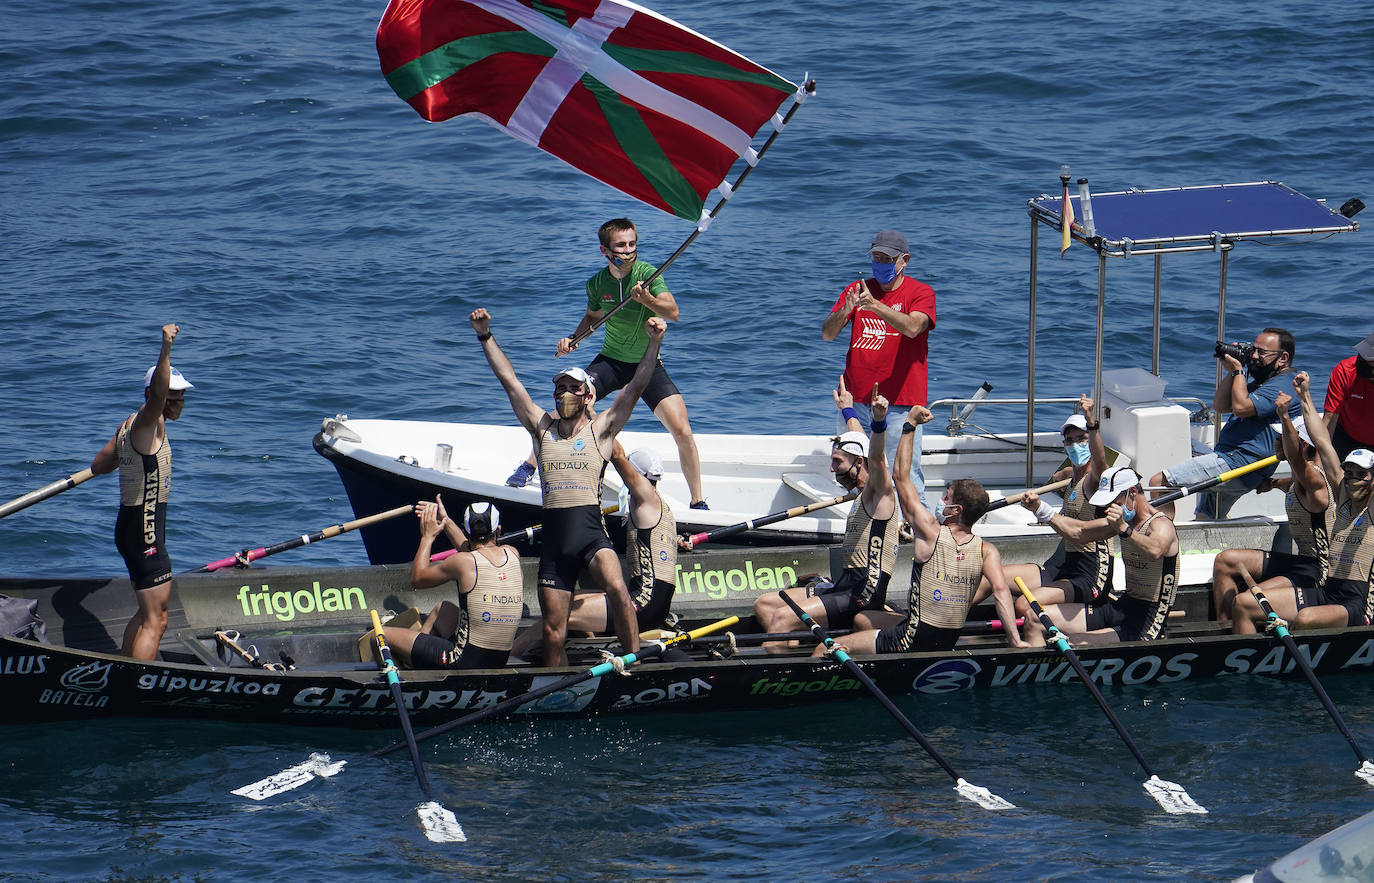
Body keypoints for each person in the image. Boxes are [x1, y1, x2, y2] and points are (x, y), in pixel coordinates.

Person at [472, 306, 663, 666]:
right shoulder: (541, 428)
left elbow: (636, 385)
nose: (563, 394)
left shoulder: (602, 430)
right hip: (556, 545)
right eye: (559, 388)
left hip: (591, 535)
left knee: (620, 590)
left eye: (572, 388)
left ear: (587, 395)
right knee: (552, 633)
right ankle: (556, 686)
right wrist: (485, 336)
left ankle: (633, 661)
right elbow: (509, 380)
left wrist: (654, 343)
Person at [507, 218, 707, 509]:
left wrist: (647, 298)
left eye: (632, 244)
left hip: (647, 365)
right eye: (621, 245)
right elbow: (592, 317)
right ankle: (529, 466)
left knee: (682, 429)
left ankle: (698, 501)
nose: (628, 250)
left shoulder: (648, 274)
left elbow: (673, 312)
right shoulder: (598, 283)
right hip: (611, 362)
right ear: (605, 250)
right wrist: (572, 340)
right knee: (567, 402)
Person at [824, 405, 1026, 655]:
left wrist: (909, 425)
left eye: (946, 496)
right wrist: (1015, 641)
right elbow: (1000, 591)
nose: (941, 499)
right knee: (862, 620)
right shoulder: (987, 550)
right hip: (947, 640)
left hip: (910, 640)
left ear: (956, 510)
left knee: (829, 649)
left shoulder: (931, 531)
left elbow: (900, 477)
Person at [752, 385, 900, 646]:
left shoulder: (879, 493)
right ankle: (791, 650)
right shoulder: (862, 487)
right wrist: (848, 409)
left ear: (859, 463)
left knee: (781, 619)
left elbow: (875, 456)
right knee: (765, 605)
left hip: (863, 593)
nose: (832, 469)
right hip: (843, 585)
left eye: (837, 462)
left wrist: (878, 421)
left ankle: (780, 676)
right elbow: (860, 442)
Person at [510, 445, 677, 659]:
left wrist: (594, 419)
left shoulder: (645, 496)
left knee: (557, 616)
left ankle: (509, 658)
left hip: (643, 605)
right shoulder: (661, 507)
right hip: (657, 603)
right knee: (568, 599)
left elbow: (615, 454)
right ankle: (587, 646)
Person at [90, 324, 191, 661]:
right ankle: (137, 684)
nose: (180, 398)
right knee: (156, 619)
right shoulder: (151, 420)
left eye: (182, 392)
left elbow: (99, 465)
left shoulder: (127, 426)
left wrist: (128, 458)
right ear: (152, 394)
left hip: (130, 529)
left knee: (145, 613)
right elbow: (158, 396)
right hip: (145, 534)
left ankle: (123, 670)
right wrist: (166, 349)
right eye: (174, 392)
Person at [822, 229, 937, 507]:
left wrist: (875, 306)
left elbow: (912, 327)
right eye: (876, 256)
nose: (880, 263)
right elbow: (827, 333)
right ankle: (866, 525)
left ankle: (913, 531)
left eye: (886, 258)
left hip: (900, 404)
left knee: (903, 475)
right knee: (856, 472)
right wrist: (844, 310)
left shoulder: (921, 293)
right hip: (856, 401)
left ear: (903, 260)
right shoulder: (856, 289)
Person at [1149, 327, 1299, 519]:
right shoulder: (1266, 382)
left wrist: (1238, 371)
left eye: (1261, 352)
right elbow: (1221, 405)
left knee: (1159, 483)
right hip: (1235, 462)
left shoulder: (1283, 385)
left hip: (1238, 464)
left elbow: (1241, 408)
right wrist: (1233, 372)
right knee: (1206, 517)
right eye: (1253, 350)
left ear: (1283, 358)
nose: (1254, 356)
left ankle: (1163, 539)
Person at [1263, 371, 1374, 630]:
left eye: (1362, 474)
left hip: (1361, 603)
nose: (1354, 479)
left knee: (1305, 618)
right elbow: (1323, 442)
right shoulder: (1343, 496)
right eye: (1351, 473)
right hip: (1330, 590)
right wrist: (1305, 396)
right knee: (1254, 603)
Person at [1021, 466, 1179, 646]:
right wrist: (1041, 509)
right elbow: (1078, 531)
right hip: (1123, 606)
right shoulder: (1122, 520)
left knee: (1075, 642)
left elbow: (1156, 550)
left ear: (1132, 493)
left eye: (1114, 502)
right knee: (1034, 618)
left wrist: (1125, 530)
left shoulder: (1161, 524)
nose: (1108, 508)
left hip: (1148, 619)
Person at [1219, 398, 1333, 633]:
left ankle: (1243, 640)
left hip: (1319, 572)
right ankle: (1224, 629)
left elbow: (1297, 462)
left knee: (1245, 601)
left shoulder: (1314, 481)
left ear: (1300, 446)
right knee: (1226, 560)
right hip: (1303, 562)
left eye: (1281, 438)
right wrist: (1270, 484)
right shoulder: (1297, 481)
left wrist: (1284, 415)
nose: (1276, 442)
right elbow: (1289, 481)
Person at [998, 396, 1114, 610]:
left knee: (1025, 605)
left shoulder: (1096, 480)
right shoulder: (1072, 478)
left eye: (1081, 438)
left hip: (1091, 572)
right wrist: (1060, 474)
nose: (1075, 444)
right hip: (1064, 564)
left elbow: (1100, 460)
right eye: (1069, 440)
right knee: (994, 576)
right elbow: (1063, 474)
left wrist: (1092, 422)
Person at [383, 499, 524, 669]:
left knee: (380, 637)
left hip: (463, 660)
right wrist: (446, 520)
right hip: (498, 659)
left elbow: (417, 579)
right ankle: (419, 666)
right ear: (499, 531)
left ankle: (405, 680)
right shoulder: (513, 554)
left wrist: (428, 537)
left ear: (466, 531)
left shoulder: (462, 562)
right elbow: (475, 553)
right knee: (443, 609)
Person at [1322, 332, 1374, 460]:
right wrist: (1319, 459)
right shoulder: (1345, 370)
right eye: (1360, 356)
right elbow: (1330, 418)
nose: (1360, 361)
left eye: (1367, 360)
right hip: (1346, 436)